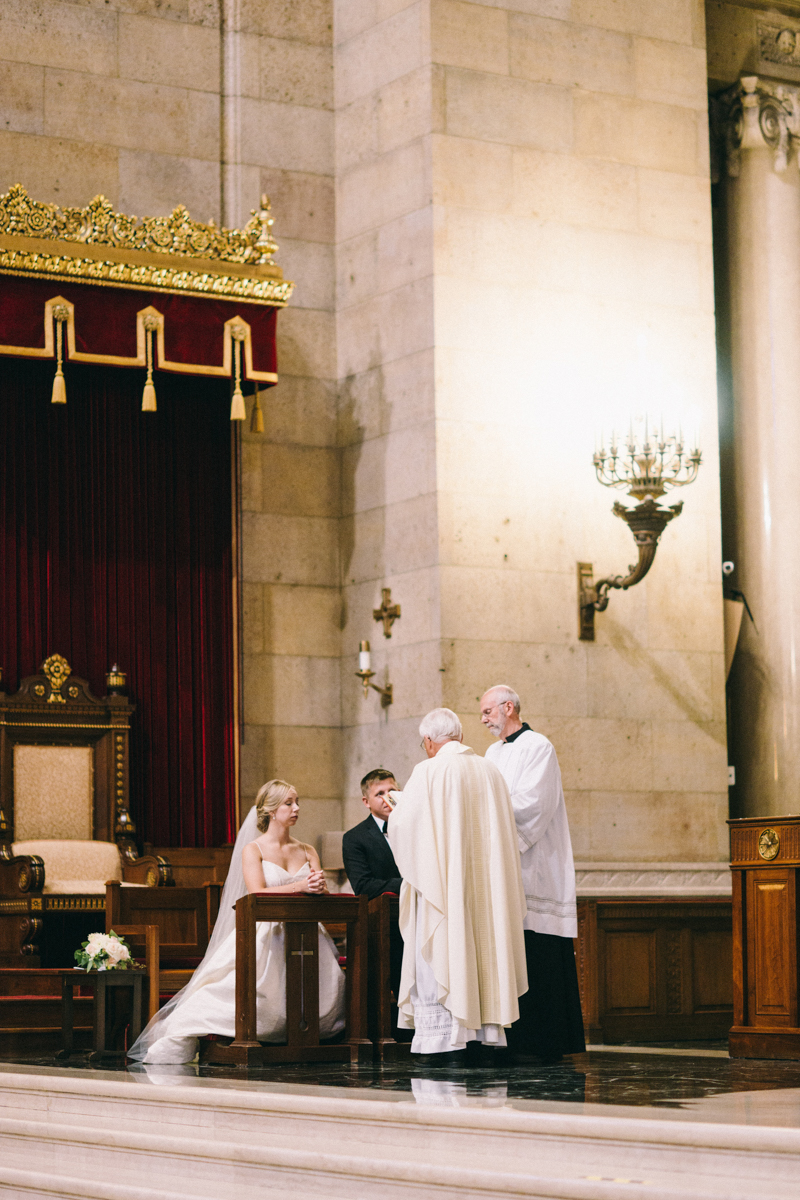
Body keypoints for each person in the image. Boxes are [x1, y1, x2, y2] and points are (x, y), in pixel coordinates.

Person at [127, 780, 345, 1064]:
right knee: (227, 991)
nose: (296, 808)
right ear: (269, 810)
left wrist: (319, 886)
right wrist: (300, 886)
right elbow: (256, 892)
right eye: (288, 803)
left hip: (307, 933)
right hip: (267, 932)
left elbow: (318, 887)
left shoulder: (306, 850)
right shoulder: (253, 850)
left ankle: (308, 1034)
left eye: (297, 801)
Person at [388, 708, 528, 1064]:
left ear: (429, 741)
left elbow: (407, 828)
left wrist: (398, 809)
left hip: (444, 889)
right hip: (485, 889)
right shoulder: (489, 770)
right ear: (461, 736)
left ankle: (443, 1041)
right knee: (484, 951)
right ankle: (484, 1034)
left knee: (447, 952)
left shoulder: (428, 770)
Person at [480, 684, 585, 1062]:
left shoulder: (539, 746)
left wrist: (490, 823)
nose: (483, 719)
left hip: (533, 867)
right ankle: (513, 1040)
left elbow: (533, 806)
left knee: (539, 956)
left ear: (509, 707)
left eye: (488, 711)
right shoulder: (491, 753)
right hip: (502, 869)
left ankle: (545, 1044)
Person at [342, 768, 402, 899]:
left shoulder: (415, 827)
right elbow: (363, 886)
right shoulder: (354, 838)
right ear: (366, 802)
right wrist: (407, 886)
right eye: (380, 794)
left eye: (391, 791)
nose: (388, 798)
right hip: (386, 914)